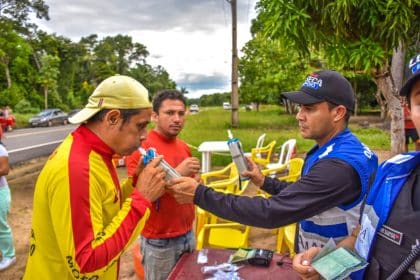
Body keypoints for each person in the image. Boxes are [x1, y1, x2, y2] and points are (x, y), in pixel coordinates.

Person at [168, 70, 378, 253]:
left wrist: (199, 194)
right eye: (300, 108)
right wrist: (263, 181)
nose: (299, 116)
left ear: (338, 113)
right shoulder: (334, 148)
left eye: (309, 109)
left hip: (337, 270)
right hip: (319, 260)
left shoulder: (338, 166)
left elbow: (271, 212)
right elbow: (303, 192)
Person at [23, 75, 167, 279]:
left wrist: (135, 182)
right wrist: (141, 199)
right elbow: (86, 262)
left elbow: (104, 207)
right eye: (140, 125)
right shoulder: (77, 167)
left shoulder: (96, 153)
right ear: (112, 118)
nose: (144, 135)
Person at [293, 53, 420, 279]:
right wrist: (326, 263)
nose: (299, 116)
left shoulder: (345, 162)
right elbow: (360, 237)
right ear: (409, 110)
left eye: (309, 108)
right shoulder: (392, 175)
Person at [125, 89, 200, 280]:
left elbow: (187, 187)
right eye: (170, 113)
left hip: (188, 233)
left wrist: (195, 182)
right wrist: (179, 172)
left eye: (181, 113)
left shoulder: (183, 146)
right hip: (159, 241)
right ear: (154, 116)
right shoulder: (141, 149)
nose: (177, 119)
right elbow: (139, 197)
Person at [0, 134, 15, 271]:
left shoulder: (1, 150)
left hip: (0, 192)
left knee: (1, 226)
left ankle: (9, 256)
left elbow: (4, 170)